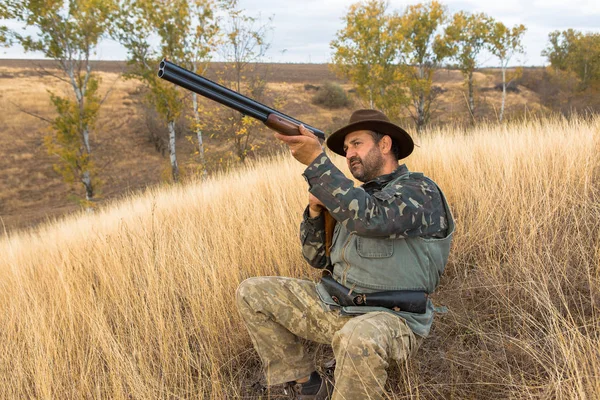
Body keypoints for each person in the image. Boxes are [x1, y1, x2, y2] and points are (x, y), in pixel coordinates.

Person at [236, 109, 455, 400]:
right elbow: (317, 259)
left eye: (357, 143)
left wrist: (317, 163)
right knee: (253, 292)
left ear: (385, 145)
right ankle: (310, 386)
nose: (349, 153)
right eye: (346, 148)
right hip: (338, 307)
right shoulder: (352, 199)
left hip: (392, 319)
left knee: (357, 336)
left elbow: (371, 218)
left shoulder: (419, 190)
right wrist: (315, 212)